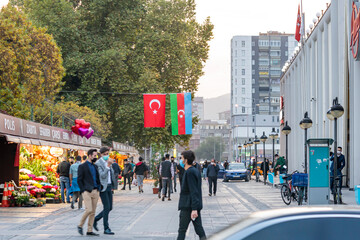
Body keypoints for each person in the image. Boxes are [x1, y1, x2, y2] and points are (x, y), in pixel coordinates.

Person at [177, 150, 206, 240]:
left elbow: (194, 191)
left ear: (186, 160)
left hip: (188, 206)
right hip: (192, 206)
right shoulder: (193, 171)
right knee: (199, 230)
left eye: (182, 158)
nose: (181, 161)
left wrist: (194, 209)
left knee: (182, 230)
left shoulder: (190, 172)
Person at [77, 149, 101, 236]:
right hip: (87, 191)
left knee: (93, 212)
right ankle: (80, 225)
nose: (96, 157)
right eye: (94, 156)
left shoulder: (95, 166)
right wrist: (83, 189)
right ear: (90, 156)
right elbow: (79, 179)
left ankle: (89, 230)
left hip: (95, 191)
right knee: (89, 209)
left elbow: (98, 178)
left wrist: (99, 187)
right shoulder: (82, 166)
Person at [94, 147, 116, 235]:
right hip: (103, 187)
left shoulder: (108, 162)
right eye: (105, 154)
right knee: (106, 207)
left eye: (107, 154)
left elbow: (112, 174)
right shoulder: (98, 163)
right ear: (101, 154)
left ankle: (95, 219)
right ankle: (106, 228)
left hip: (109, 186)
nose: (106, 156)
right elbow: (102, 176)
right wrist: (107, 166)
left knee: (110, 207)